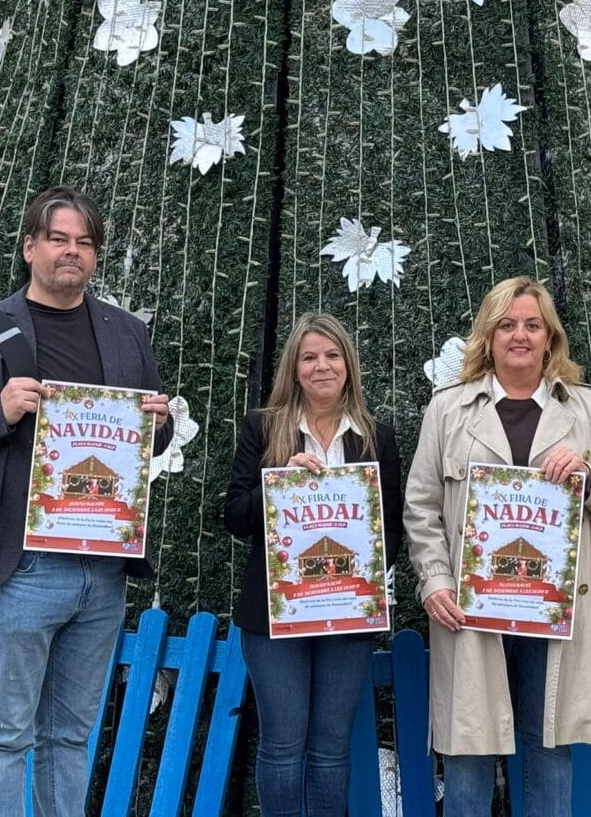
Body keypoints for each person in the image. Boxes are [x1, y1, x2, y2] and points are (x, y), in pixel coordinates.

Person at [0, 187, 173, 817]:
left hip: (102, 567)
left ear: (95, 256)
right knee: (4, 735)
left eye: (84, 243)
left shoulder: (126, 333)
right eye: (58, 240)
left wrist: (158, 425)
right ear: (30, 248)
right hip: (21, 568)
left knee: (71, 736)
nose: (72, 253)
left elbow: (148, 428)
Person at [404, 276, 591, 816]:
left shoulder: (585, 408)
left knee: (548, 746)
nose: (520, 335)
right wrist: (436, 581)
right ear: (487, 336)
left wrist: (587, 474)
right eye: (507, 324)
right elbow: (421, 506)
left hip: (553, 612)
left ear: (550, 337)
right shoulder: (448, 409)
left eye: (533, 325)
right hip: (471, 609)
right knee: (469, 750)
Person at [224, 312, 403, 817]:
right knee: (281, 744)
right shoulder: (263, 429)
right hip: (274, 617)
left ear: (348, 364)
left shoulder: (376, 437)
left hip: (348, 612)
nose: (322, 367)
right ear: (293, 368)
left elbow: (390, 527)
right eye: (309, 357)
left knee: (331, 748)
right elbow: (234, 516)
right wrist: (278, 484)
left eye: (332, 355)